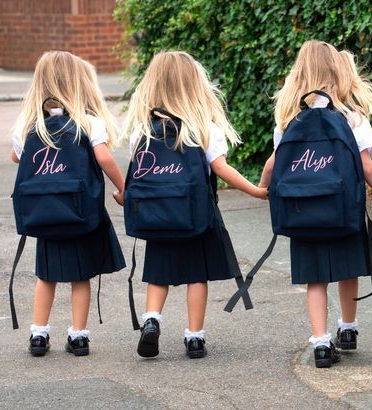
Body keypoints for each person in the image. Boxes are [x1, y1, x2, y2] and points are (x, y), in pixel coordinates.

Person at [120, 51, 268, 359]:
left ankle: (152, 320)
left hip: (158, 216)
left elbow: (136, 174)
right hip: (196, 215)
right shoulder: (204, 128)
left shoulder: (144, 130)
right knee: (196, 275)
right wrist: (255, 190)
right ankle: (195, 337)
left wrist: (124, 196)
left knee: (158, 273)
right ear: (195, 85)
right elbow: (221, 168)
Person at [259, 40, 372, 368]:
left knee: (315, 278)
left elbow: (274, 163)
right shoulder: (350, 116)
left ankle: (321, 343)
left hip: (302, 211)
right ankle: (347, 329)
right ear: (337, 70)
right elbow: (366, 166)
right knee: (348, 269)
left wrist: (262, 187)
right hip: (342, 208)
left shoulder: (289, 117)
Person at [11, 51, 126, 357]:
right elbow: (103, 158)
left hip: (45, 213)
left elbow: (16, 156)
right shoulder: (88, 122)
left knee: (45, 276)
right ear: (80, 84)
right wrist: (124, 189)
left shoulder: (30, 124)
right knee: (80, 277)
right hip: (80, 212)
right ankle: (78, 337)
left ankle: (38, 334)